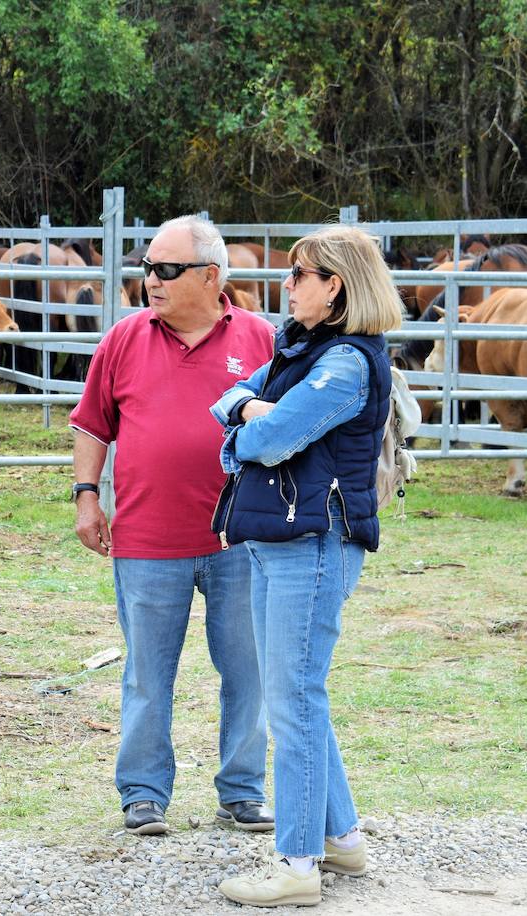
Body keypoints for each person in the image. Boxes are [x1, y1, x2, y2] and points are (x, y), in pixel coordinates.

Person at [212, 226, 402, 907]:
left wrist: (252, 416)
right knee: (296, 695)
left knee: (292, 699)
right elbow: (227, 402)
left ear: (337, 285)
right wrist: (251, 411)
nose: (286, 283)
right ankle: (342, 839)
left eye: (300, 273)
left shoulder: (346, 363)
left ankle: (297, 864)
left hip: (313, 544)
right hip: (280, 537)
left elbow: (266, 438)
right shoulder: (302, 347)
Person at [70, 214, 276, 836]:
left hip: (239, 540)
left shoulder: (264, 340)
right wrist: (86, 495)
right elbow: (90, 423)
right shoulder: (125, 338)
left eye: (165, 270)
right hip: (146, 541)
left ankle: (242, 790)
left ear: (211, 277)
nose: (150, 281)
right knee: (147, 674)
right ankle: (142, 793)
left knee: (248, 670)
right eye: (147, 269)